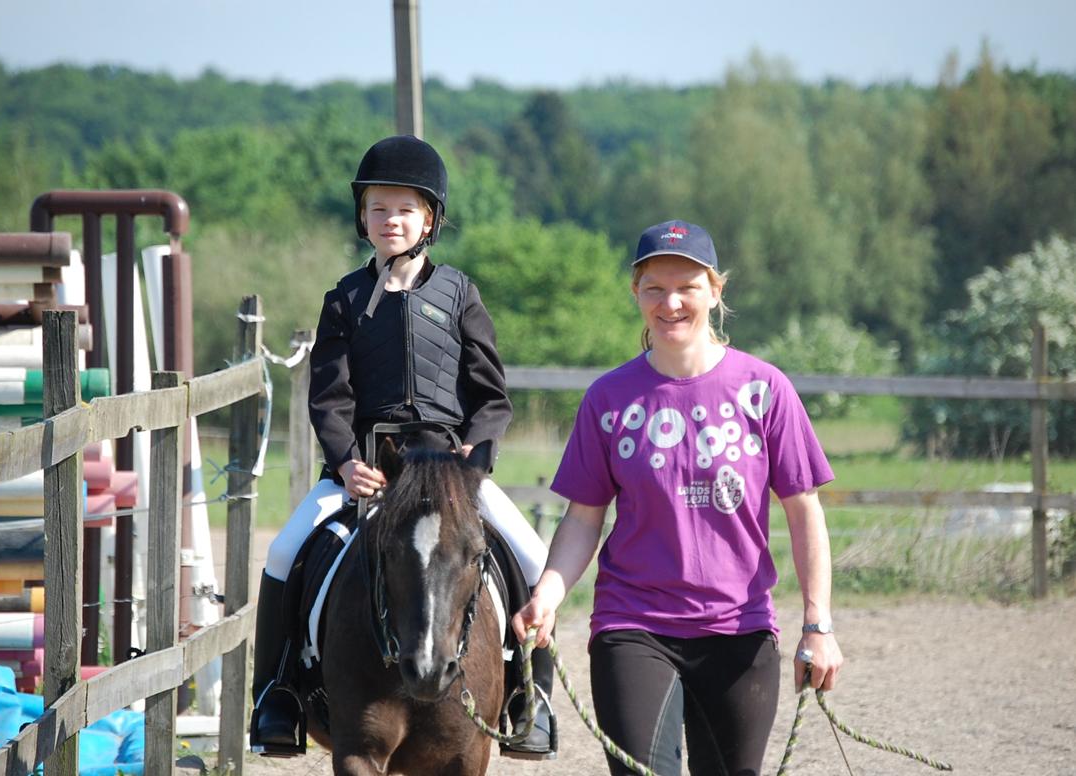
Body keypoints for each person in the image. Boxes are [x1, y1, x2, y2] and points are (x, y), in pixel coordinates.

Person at [251, 135, 557, 759]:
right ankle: (277, 694)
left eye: (405, 209)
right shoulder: (344, 300)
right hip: (369, 468)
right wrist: (344, 462)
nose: (391, 220)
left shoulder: (460, 294)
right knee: (284, 552)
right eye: (378, 208)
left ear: (430, 220)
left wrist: (476, 455)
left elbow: (491, 395)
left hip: (450, 468)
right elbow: (328, 396)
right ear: (362, 217)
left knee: (530, 553)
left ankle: (530, 699)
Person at [512, 220, 844, 775]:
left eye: (687, 286)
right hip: (633, 623)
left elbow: (804, 512)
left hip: (739, 630)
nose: (671, 303)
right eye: (654, 288)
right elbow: (583, 518)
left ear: (716, 291)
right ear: (636, 295)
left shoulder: (765, 391)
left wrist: (819, 625)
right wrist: (547, 594)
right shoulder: (608, 399)